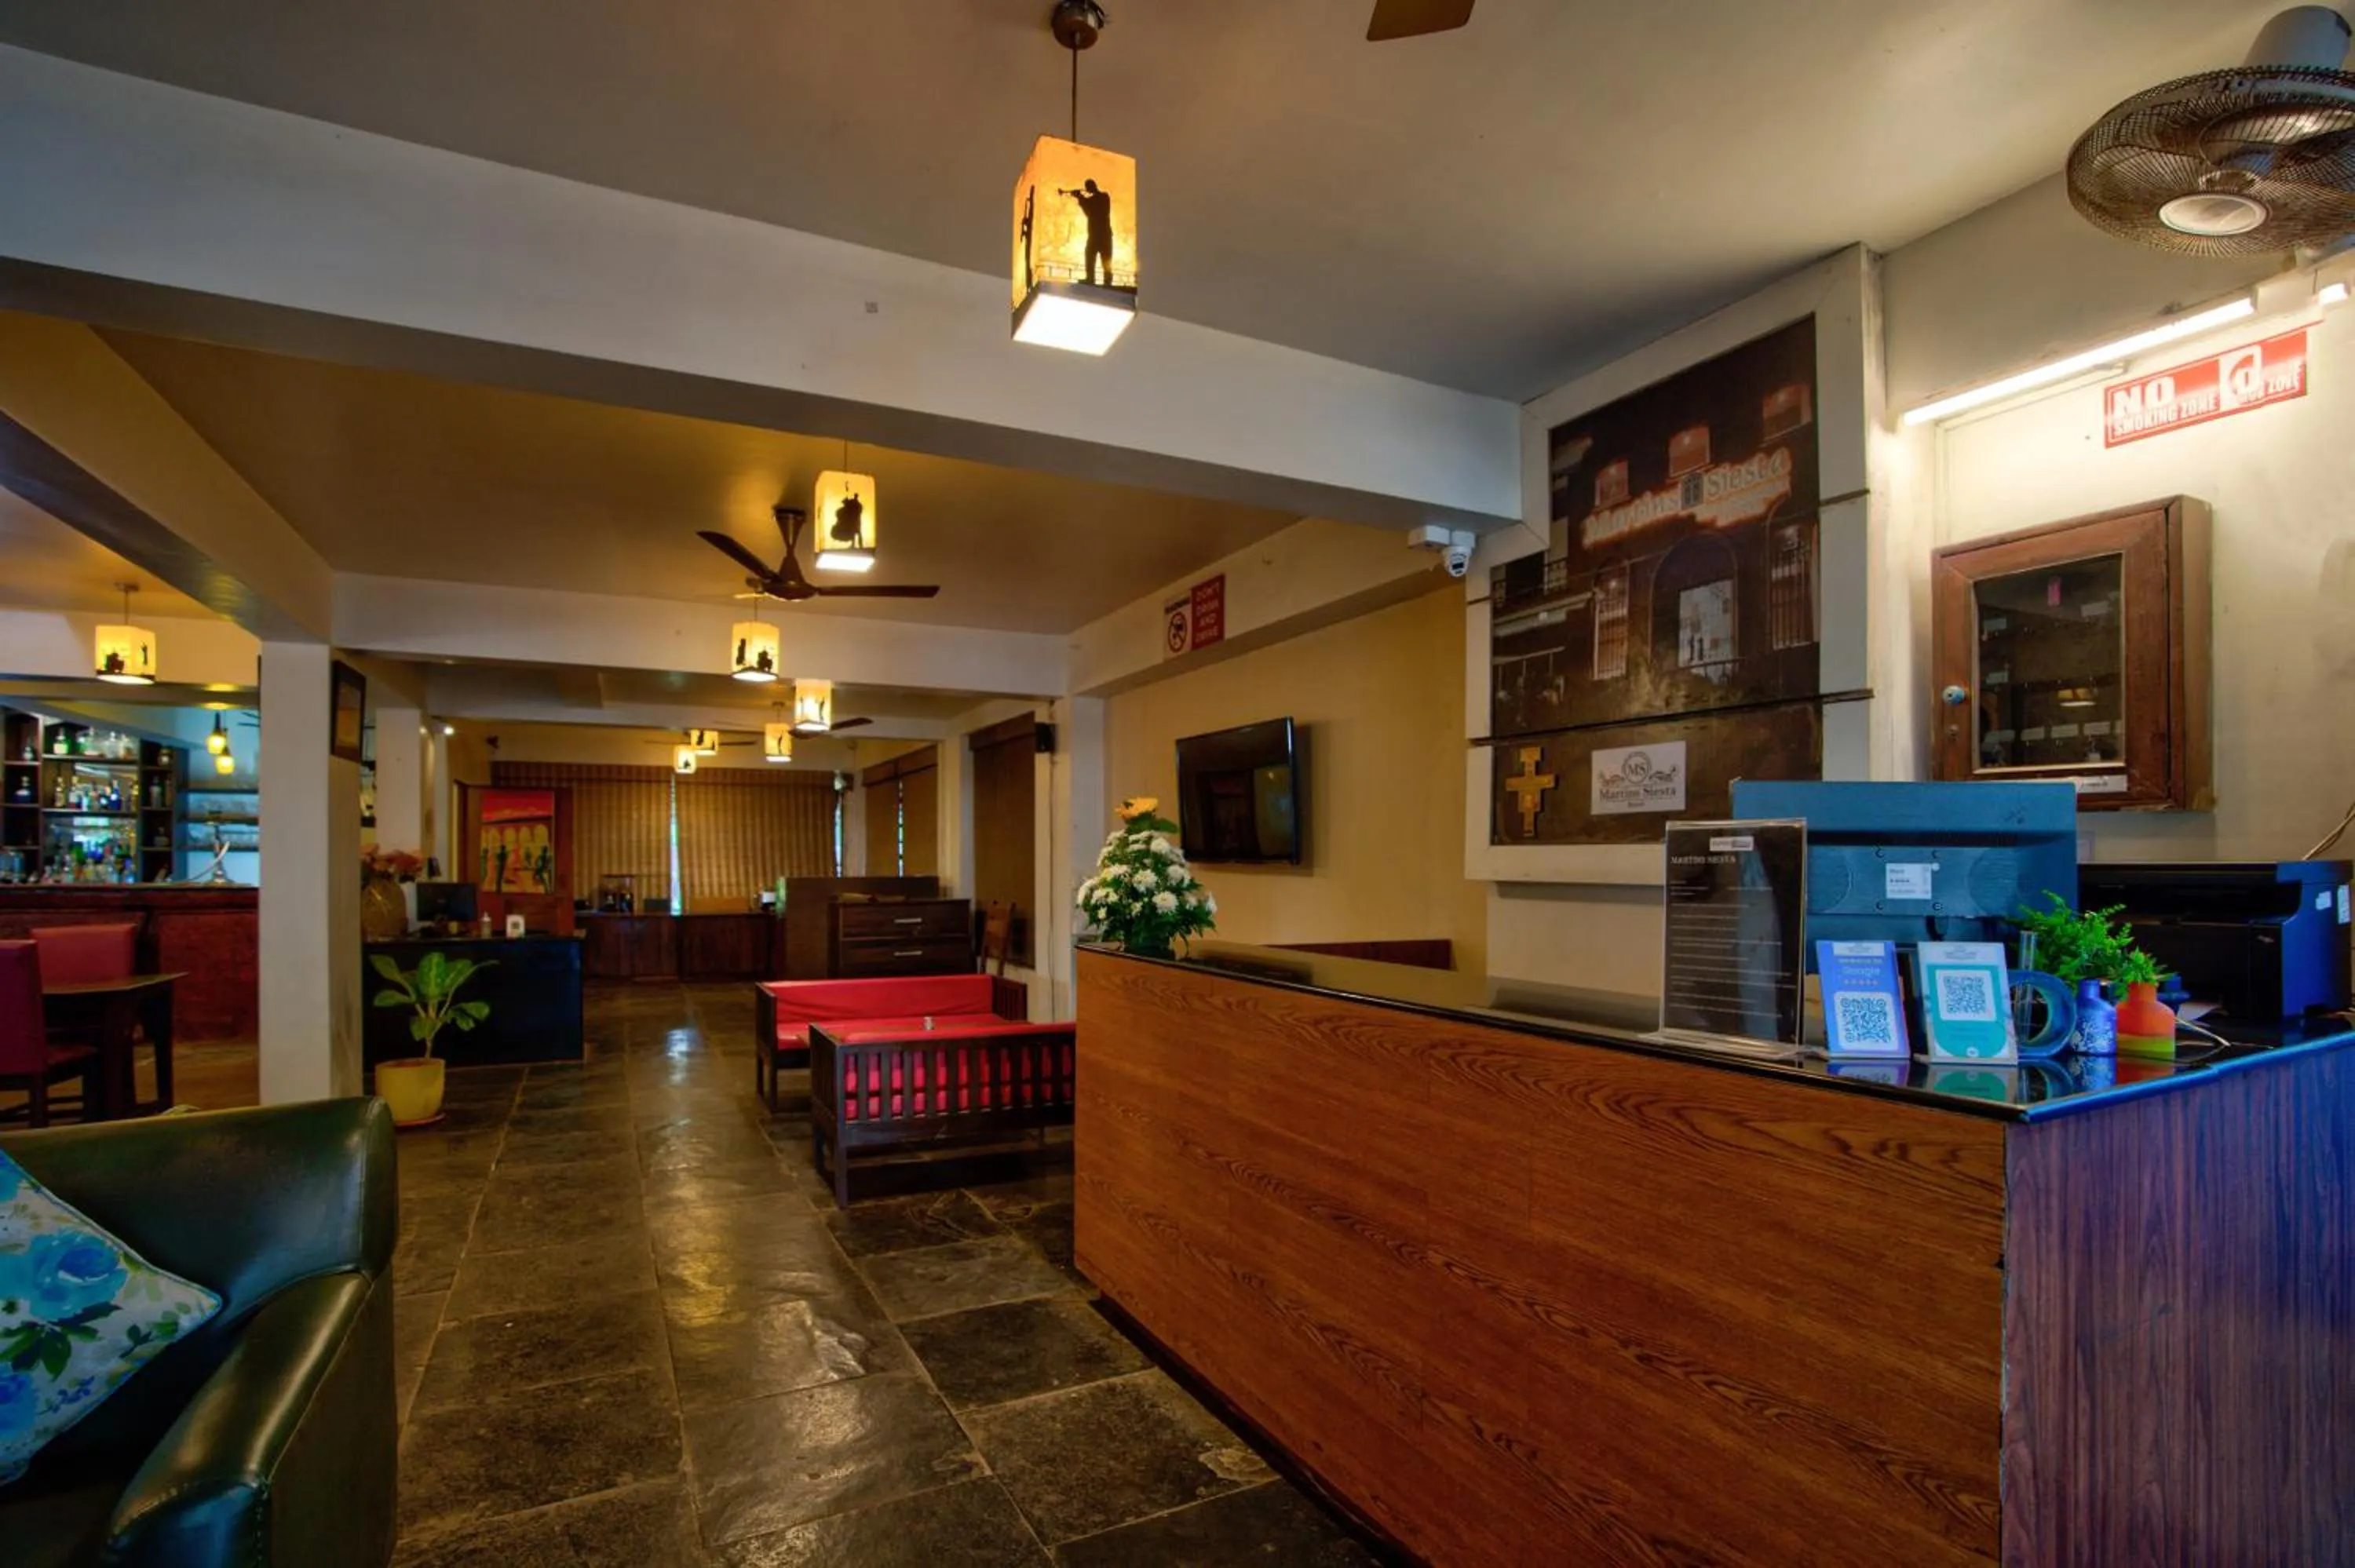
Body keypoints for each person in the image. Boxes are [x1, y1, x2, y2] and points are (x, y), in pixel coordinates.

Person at [1060, 178, 1115, 286]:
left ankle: (1106, 281)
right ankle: (1091, 279)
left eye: (1088, 187)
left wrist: (1081, 198)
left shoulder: (1104, 196)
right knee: (1090, 256)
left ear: (1093, 186)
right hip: (1096, 235)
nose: (1087, 189)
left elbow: (1092, 212)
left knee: (1105, 259)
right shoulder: (1092, 200)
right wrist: (1081, 198)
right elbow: (1088, 210)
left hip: (1102, 235)